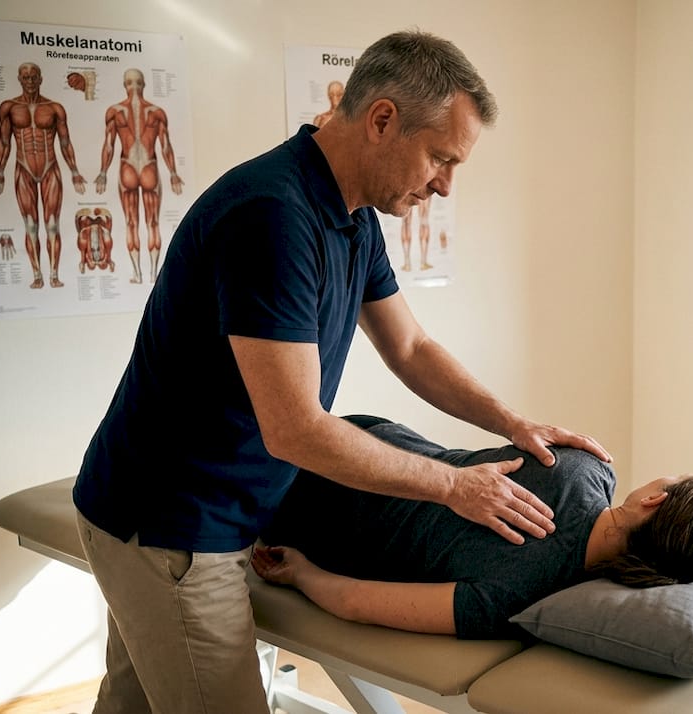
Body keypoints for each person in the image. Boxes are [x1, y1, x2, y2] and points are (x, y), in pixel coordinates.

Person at [72, 30, 609, 714]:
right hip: (173, 522)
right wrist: (453, 486)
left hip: (212, 508)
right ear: (383, 120)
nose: (444, 185)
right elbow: (295, 429)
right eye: (441, 159)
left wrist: (511, 422)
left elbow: (410, 347)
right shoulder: (273, 216)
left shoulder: (351, 216)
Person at [255, 417, 693, 638]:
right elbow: (352, 601)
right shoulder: (523, 602)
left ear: (654, 500)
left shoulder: (586, 464)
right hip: (300, 519)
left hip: (340, 449)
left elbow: (357, 605)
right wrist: (301, 574)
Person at [0, 62, 86, 289]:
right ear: (20, 79)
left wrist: (74, 172)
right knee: (31, 225)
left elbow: (65, 142)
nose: (30, 81)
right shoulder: (9, 107)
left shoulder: (55, 108)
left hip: (50, 166)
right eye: (26, 77)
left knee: (52, 225)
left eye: (34, 77)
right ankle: (37, 275)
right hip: (23, 168)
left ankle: (53, 274)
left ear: (41, 79)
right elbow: (4, 142)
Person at [95, 67, 185, 284]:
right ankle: (153, 274)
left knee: (131, 223)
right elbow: (165, 146)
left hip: (128, 167)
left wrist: (103, 173)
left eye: (135, 83)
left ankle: (139, 274)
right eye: (131, 83)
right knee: (151, 222)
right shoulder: (155, 112)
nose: (134, 88)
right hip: (148, 167)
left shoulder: (115, 111)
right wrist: (172, 173)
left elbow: (109, 145)